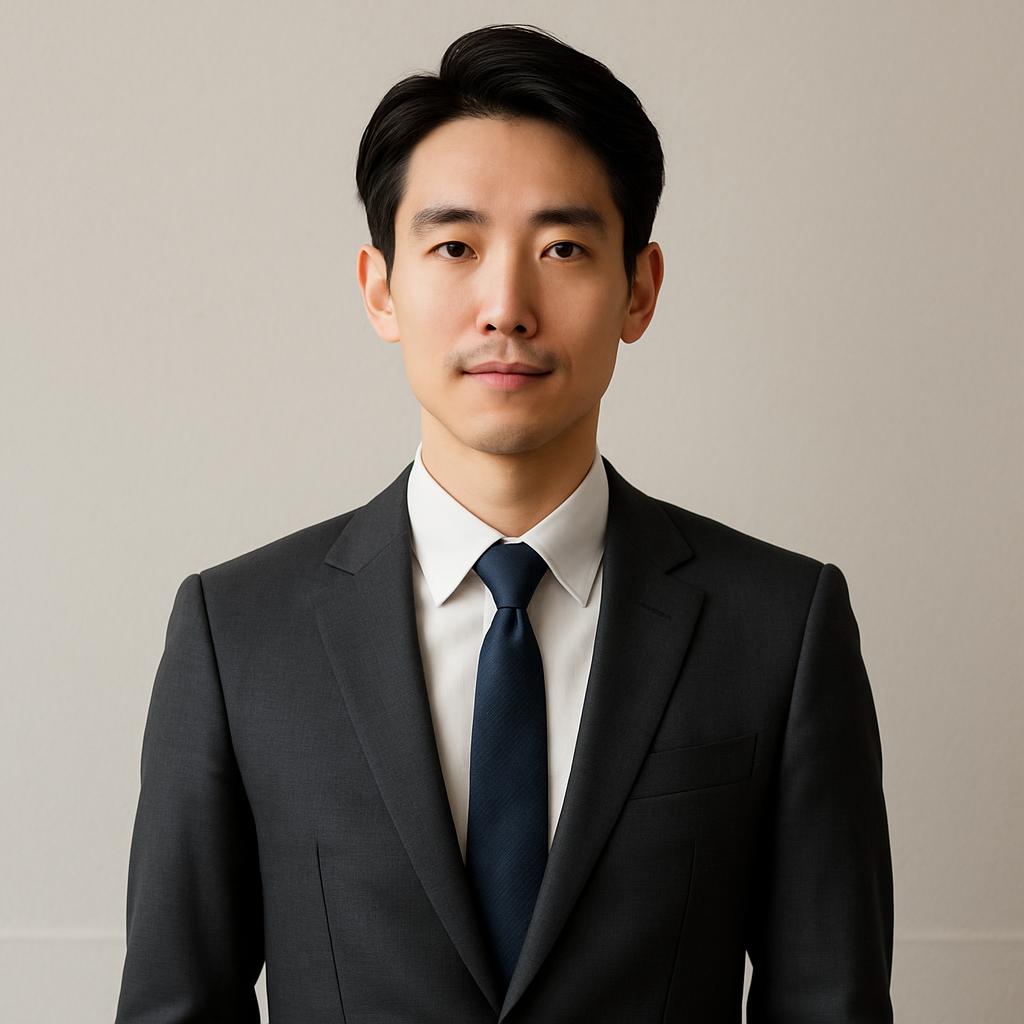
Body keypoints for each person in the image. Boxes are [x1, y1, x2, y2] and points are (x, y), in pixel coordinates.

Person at [114, 22, 894, 1024]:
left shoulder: (778, 626)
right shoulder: (238, 633)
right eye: (454, 245)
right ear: (381, 288)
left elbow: (828, 1004)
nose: (506, 305)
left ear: (638, 289)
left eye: (563, 247)